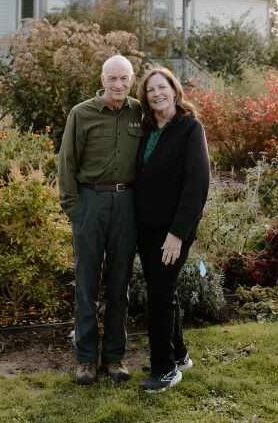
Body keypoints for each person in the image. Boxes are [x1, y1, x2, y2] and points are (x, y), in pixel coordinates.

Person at [58, 54, 142, 385]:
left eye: (124, 79)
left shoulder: (140, 113)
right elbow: (67, 162)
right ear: (102, 80)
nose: (118, 85)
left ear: (132, 80)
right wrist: (74, 210)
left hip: (127, 205)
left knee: (119, 286)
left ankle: (115, 358)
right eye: (113, 79)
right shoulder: (82, 114)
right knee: (87, 286)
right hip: (90, 203)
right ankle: (85, 360)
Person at [134, 65, 210, 393]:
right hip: (146, 226)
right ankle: (179, 355)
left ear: (175, 90)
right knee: (163, 290)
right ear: (145, 97)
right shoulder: (147, 127)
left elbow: (197, 185)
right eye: (150, 90)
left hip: (174, 229)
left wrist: (178, 234)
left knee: (159, 294)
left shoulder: (190, 128)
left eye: (162, 87)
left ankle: (164, 369)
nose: (157, 94)